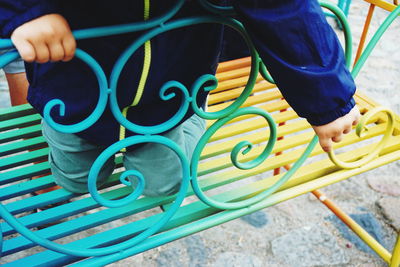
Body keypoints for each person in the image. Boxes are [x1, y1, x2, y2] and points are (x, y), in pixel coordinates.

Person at [0, 0, 360, 196]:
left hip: (171, 94)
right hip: (73, 92)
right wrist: (24, 10)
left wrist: (328, 98)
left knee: (165, 184)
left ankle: (189, 127)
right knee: (74, 179)